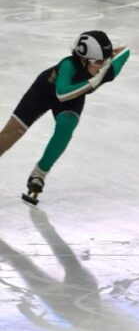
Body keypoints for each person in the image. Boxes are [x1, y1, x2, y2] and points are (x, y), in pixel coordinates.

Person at [0, 31, 129, 204]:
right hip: (44, 92)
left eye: (105, 61)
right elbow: (62, 94)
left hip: (73, 97)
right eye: (98, 62)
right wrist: (93, 81)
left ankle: (39, 174)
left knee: (66, 125)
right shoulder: (68, 65)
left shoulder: (104, 69)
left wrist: (110, 55)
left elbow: (126, 50)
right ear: (83, 59)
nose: (102, 66)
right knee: (9, 136)